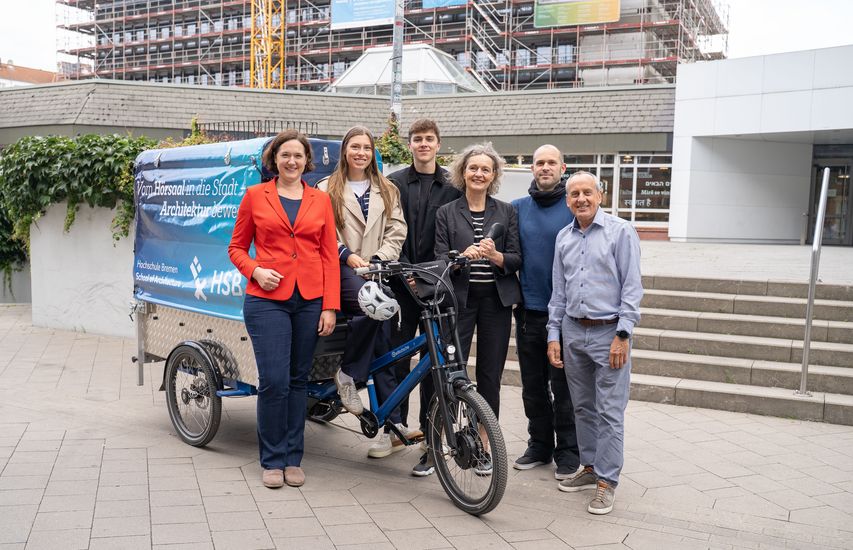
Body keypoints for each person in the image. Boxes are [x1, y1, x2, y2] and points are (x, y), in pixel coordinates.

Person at [228, 130, 340, 489]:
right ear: (273, 159)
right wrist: (256, 270)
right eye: (284, 155)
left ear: (307, 161)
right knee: (274, 381)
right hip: (266, 301)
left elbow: (328, 256)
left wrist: (330, 307)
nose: (291, 161)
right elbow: (236, 248)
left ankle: (294, 458)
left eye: (298, 156)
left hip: (309, 300)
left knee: (298, 381)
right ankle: (272, 459)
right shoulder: (254, 196)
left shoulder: (319, 200)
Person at [546, 170, 642, 515]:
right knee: (582, 407)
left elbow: (632, 287)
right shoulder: (563, 238)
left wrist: (623, 334)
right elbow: (558, 291)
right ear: (567, 200)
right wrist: (553, 334)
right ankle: (589, 468)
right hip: (573, 331)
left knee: (610, 411)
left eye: (587, 193)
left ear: (600, 196)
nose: (581, 199)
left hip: (609, 333)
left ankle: (607, 482)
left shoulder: (621, 232)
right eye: (574, 194)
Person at [317, 126, 412, 458]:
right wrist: (349, 256)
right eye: (354, 147)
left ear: (373, 153)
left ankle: (393, 428)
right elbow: (321, 233)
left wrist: (379, 259)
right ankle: (348, 374)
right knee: (374, 307)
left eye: (367, 148)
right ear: (345, 151)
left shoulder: (387, 188)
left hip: (377, 268)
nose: (360, 153)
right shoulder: (326, 188)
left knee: (384, 349)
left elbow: (397, 228)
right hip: (340, 267)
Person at [434, 142, 522, 475]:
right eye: (473, 168)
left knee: (489, 375)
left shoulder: (506, 211)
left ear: (494, 175)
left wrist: (496, 256)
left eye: (486, 169)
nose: (479, 174)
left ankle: (484, 443)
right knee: (455, 372)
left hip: (495, 303)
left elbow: (516, 258)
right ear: (463, 172)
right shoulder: (446, 212)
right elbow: (439, 256)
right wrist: (461, 257)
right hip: (459, 301)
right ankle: (455, 438)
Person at [387, 119, 461, 475]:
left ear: (438, 143)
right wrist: (405, 272)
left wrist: (434, 274)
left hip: (438, 286)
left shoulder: (453, 184)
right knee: (397, 356)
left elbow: (455, 233)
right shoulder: (395, 183)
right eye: (417, 139)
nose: (423, 144)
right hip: (403, 284)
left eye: (429, 139)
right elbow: (390, 230)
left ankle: (431, 439)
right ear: (410, 144)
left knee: (435, 363)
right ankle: (395, 429)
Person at [511, 145, 579, 481]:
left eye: (552, 162)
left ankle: (568, 451)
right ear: (532, 168)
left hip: (567, 315)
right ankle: (539, 445)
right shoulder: (518, 209)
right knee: (532, 386)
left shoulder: (574, 207)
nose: (546, 167)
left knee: (564, 386)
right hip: (529, 311)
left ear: (562, 167)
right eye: (540, 162)